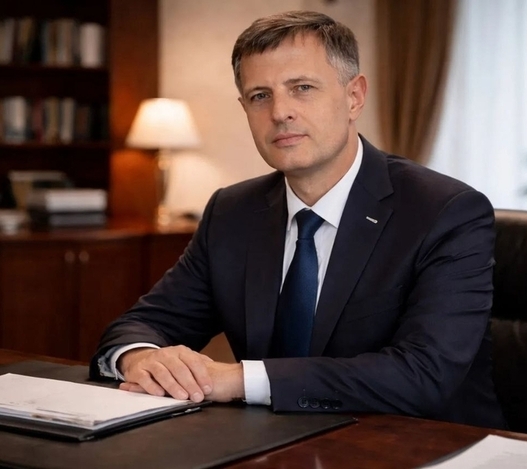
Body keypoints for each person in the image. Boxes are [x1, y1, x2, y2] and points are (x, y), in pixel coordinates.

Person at [91, 10, 506, 429]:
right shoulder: (232, 212)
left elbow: (423, 374)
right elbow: (143, 324)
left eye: (302, 88)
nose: (279, 112)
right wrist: (141, 358)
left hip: (419, 444)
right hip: (270, 443)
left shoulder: (445, 212)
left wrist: (238, 379)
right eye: (260, 96)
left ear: (354, 97)